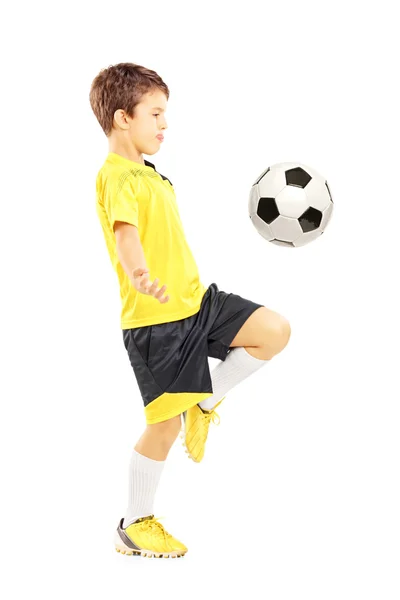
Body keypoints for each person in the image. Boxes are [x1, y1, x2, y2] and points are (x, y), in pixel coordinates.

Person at [89, 62, 291, 559]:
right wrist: (137, 272)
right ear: (121, 118)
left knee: (273, 330)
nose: (163, 124)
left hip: (199, 302)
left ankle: (203, 401)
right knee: (163, 426)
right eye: (155, 113)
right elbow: (125, 233)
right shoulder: (117, 176)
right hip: (157, 324)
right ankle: (135, 524)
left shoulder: (149, 172)